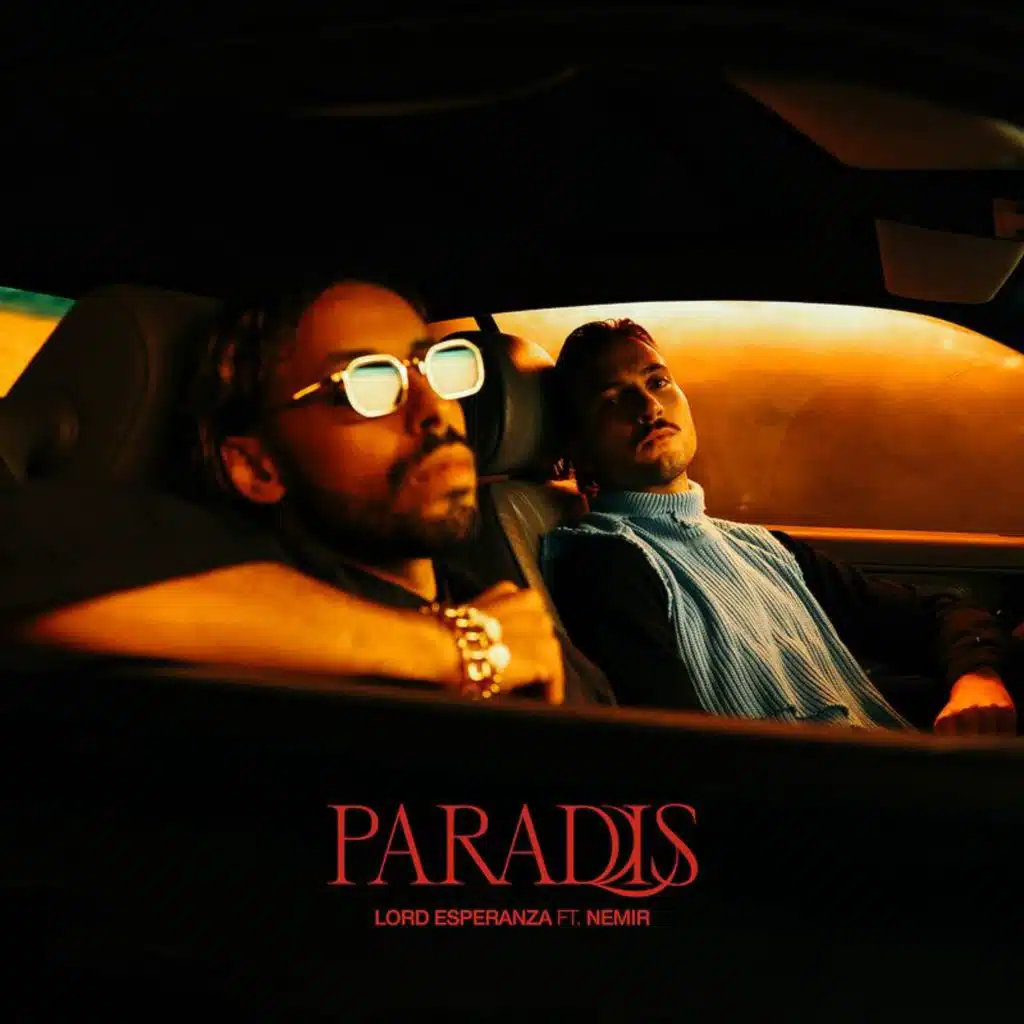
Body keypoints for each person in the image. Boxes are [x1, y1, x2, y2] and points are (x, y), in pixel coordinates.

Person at [1, 278, 613, 707]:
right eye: (369, 383)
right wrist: (456, 649)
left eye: (438, 367)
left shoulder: (505, 606)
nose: (434, 411)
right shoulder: (229, 587)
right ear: (257, 467)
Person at [541, 317, 1017, 734]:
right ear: (578, 448)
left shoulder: (763, 548)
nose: (648, 408)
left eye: (658, 381)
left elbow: (938, 612)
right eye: (613, 400)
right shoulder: (604, 560)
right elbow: (678, 745)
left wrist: (977, 677)